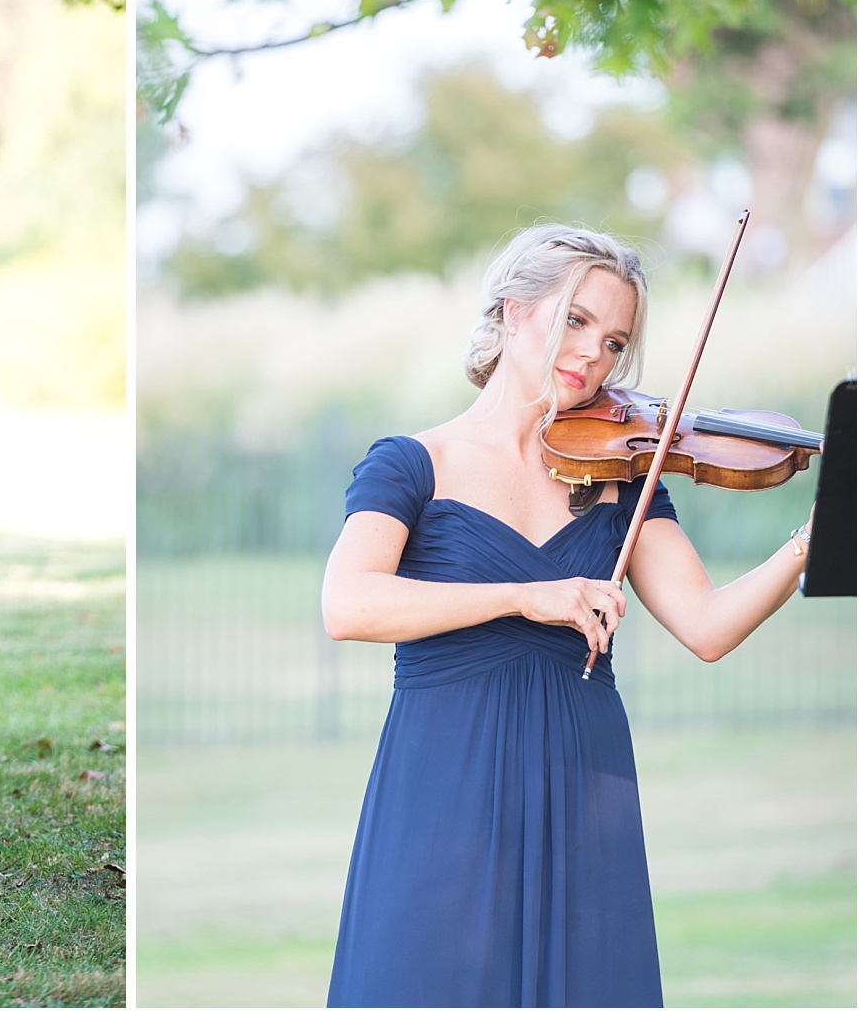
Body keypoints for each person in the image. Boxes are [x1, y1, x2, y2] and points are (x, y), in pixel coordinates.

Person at [322, 224, 814, 1008]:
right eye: (576, 320)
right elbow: (347, 603)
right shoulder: (414, 463)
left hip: (585, 781)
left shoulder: (627, 473)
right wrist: (524, 594)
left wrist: (813, 539)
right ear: (514, 309)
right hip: (443, 779)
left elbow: (708, 625)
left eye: (616, 340)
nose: (595, 354)